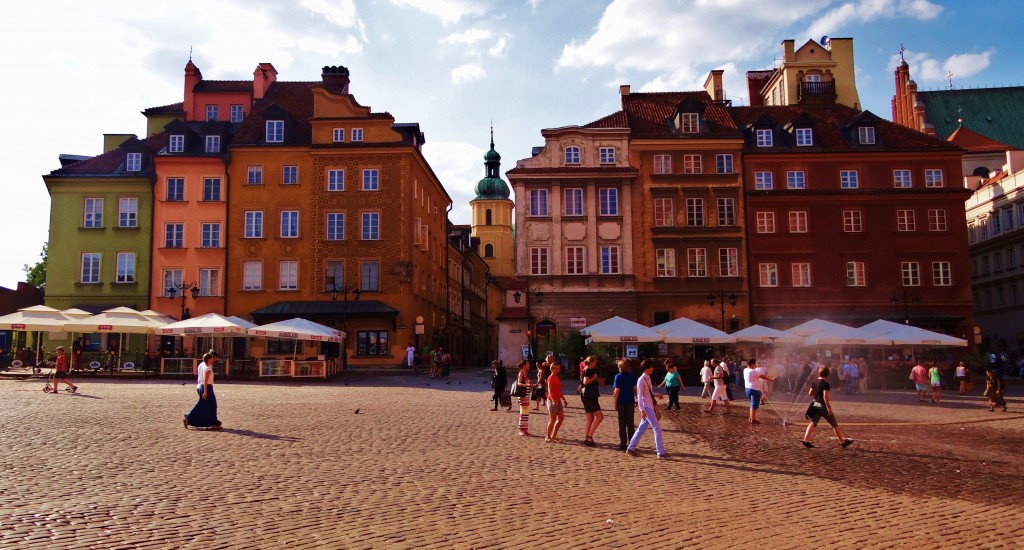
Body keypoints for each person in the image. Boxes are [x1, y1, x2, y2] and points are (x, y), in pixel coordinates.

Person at [801, 366, 854, 449]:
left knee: (812, 423)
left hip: (815, 405)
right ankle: (842, 442)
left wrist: (816, 395)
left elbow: (810, 393)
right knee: (834, 424)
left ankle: (805, 440)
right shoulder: (825, 384)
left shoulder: (814, 382)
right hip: (823, 406)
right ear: (827, 374)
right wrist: (828, 407)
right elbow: (825, 396)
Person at [626, 360, 667, 459]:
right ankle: (660, 453)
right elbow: (639, 396)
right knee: (657, 429)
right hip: (647, 407)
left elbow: (649, 392)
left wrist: (656, 394)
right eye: (651, 367)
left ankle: (631, 448)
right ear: (646, 368)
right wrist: (641, 410)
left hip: (649, 406)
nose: (653, 369)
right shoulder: (641, 380)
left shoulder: (647, 378)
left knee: (641, 428)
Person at [184, 351, 222, 430]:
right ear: (210, 358)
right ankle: (188, 418)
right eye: (213, 358)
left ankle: (212, 422)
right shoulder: (208, 367)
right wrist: (205, 391)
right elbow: (205, 380)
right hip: (206, 387)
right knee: (211, 405)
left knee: (206, 405)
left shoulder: (201, 364)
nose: (214, 360)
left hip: (199, 386)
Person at [611, 359, 637, 451]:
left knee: (621, 424)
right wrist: (637, 399)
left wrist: (615, 403)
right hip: (630, 401)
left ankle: (623, 443)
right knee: (630, 424)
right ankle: (631, 443)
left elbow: (616, 391)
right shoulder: (632, 375)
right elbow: (635, 389)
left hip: (621, 402)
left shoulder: (618, 377)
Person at [580, 356, 603, 447]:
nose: (596, 363)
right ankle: (589, 436)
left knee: (590, 418)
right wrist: (594, 378)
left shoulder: (585, 369)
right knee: (600, 417)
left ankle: (586, 438)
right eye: (595, 362)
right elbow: (585, 382)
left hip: (586, 395)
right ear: (592, 362)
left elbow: (582, 383)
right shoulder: (588, 370)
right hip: (590, 396)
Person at [743, 358, 774, 424]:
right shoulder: (753, 371)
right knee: (754, 405)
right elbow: (762, 376)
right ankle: (753, 419)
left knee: (752, 404)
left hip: (747, 389)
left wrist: (767, 377)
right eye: (755, 364)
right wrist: (770, 379)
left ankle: (750, 418)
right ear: (753, 364)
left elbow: (760, 376)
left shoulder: (745, 370)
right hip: (754, 390)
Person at [545, 362, 567, 442]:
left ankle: (554, 435)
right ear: (552, 369)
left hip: (558, 400)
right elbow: (549, 390)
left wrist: (563, 399)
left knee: (561, 418)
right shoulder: (550, 378)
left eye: (559, 368)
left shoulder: (557, 377)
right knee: (552, 419)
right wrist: (553, 400)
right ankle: (548, 436)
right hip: (552, 400)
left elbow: (559, 390)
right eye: (556, 368)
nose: (558, 370)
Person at [514, 360, 532, 436]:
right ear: (524, 365)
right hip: (523, 394)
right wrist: (527, 385)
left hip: (526, 394)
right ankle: (521, 430)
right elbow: (519, 383)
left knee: (526, 412)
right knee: (523, 412)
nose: (529, 366)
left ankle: (525, 429)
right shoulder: (521, 372)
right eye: (528, 364)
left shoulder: (525, 372)